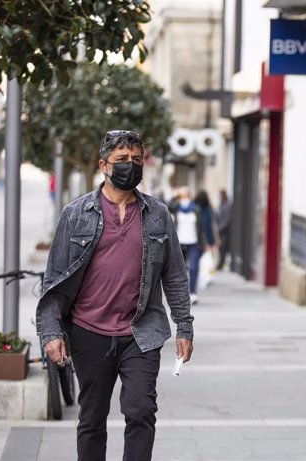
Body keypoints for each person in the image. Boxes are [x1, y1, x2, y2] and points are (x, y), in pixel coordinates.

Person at [36, 130, 194, 461]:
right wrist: (51, 332)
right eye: (122, 160)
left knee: (140, 411)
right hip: (89, 331)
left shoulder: (158, 214)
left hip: (141, 332)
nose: (130, 167)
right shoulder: (76, 214)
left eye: (136, 160)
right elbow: (55, 278)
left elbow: (175, 275)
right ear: (103, 165)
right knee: (92, 418)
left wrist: (184, 325)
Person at [169, 186, 205, 304]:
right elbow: (167, 206)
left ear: (189, 195)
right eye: (182, 194)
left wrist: (204, 243)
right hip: (179, 243)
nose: (184, 196)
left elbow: (201, 228)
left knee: (194, 268)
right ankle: (182, 293)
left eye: (185, 194)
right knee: (180, 270)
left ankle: (193, 292)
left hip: (193, 243)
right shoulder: (176, 207)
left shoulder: (196, 209)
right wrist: (175, 195)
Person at [216, 189, 232, 270]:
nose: (218, 197)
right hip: (221, 231)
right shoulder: (221, 205)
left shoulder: (228, 205)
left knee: (224, 248)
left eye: (219, 195)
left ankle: (221, 264)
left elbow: (226, 220)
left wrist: (219, 229)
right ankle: (221, 264)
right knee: (221, 248)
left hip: (225, 232)